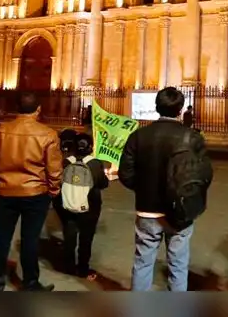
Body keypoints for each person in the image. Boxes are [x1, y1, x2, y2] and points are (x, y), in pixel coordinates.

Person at [118, 87, 213, 292]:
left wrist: (143, 187)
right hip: (180, 208)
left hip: (147, 209)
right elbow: (205, 174)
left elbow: (125, 174)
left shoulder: (139, 136)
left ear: (156, 107)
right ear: (180, 110)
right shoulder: (192, 137)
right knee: (178, 264)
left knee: (143, 261)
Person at [0, 92, 63, 291]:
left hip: (6, 192)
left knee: (2, 238)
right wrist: (53, 190)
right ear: (38, 109)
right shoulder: (47, 134)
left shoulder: (0, 131)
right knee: (30, 239)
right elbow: (54, 169)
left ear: (17, 109)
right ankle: (30, 283)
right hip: (35, 194)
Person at [54, 132, 109, 278]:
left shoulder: (66, 162)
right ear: (90, 146)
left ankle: (69, 266)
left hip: (68, 203)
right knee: (86, 238)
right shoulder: (95, 163)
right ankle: (83, 269)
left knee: (69, 235)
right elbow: (103, 184)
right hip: (90, 206)